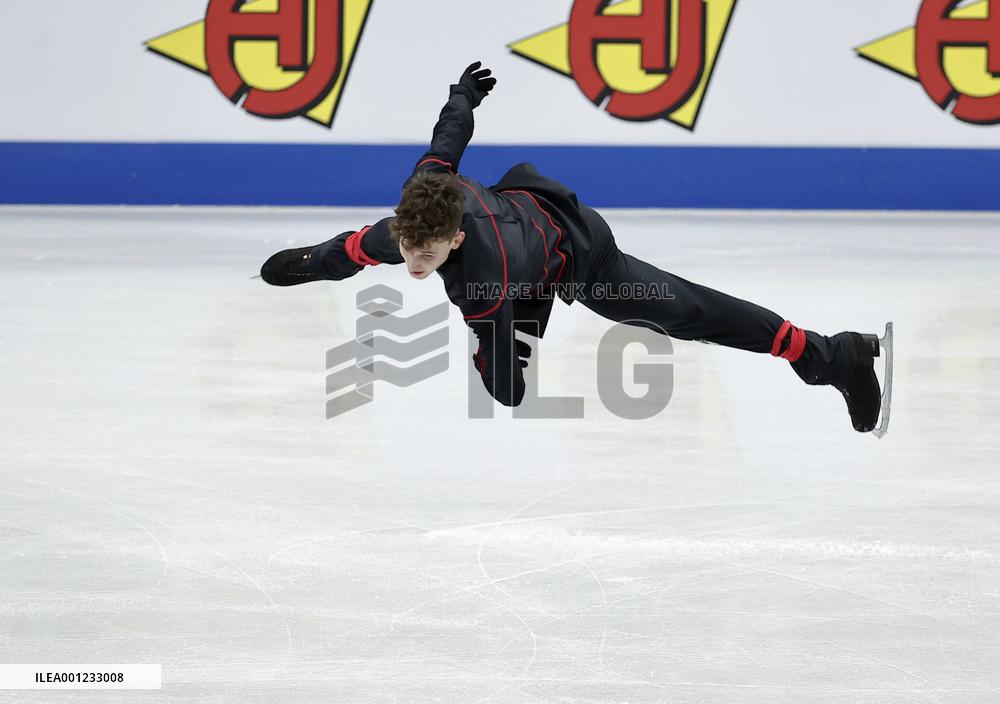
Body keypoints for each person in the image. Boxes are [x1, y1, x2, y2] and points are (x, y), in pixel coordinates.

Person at [260, 62, 892, 435]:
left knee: (688, 312)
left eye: (425, 258)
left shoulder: (482, 284)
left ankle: (832, 356)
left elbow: (504, 382)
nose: (414, 267)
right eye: (407, 251)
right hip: (521, 240)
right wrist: (312, 263)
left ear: (455, 238)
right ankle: (834, 354)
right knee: (505, 356)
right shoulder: (419, 202)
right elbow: (443, 145)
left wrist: (497, 367)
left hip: (581, 255)